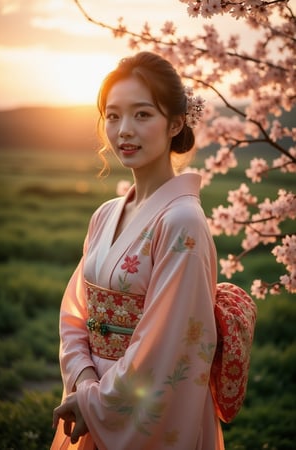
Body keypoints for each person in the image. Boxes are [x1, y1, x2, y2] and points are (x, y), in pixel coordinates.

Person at [51, 51, 225, 450]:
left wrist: (97, 400)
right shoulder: (106, 213)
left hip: (143, 407)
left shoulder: (182, 222)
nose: (124, 130)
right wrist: (82, 380)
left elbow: (169, 345)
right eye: (113, 116)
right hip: (92, 391)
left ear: (175, 123)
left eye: (142, 114)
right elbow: (76, 313)